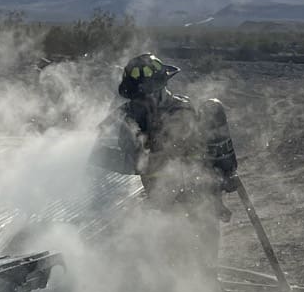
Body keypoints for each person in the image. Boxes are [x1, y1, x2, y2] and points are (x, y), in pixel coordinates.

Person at [93, 53, 238, 270]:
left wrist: (100, 156)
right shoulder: (130, 115)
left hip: (197, 204)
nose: (138, 103)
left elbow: (151, 162)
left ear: (159, 91)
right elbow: (97, 134)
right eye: (135, 98)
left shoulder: (180, 115)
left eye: (143, 98)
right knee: (170, 272)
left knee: (200, 271)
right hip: (166, 206)